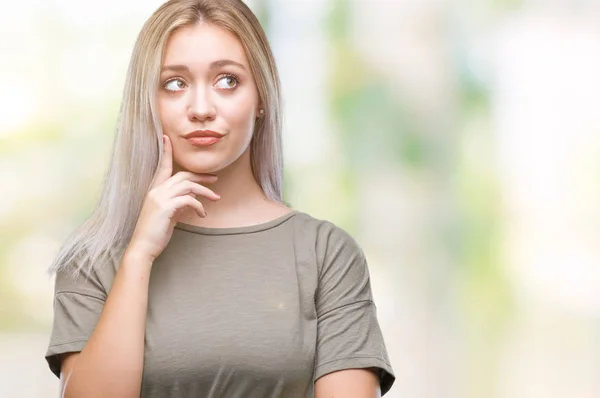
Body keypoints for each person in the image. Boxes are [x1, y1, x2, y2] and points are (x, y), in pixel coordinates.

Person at [44, 0, 396, 396]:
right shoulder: (92, 260)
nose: (201, 109)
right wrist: (139, 254)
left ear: (261, 96)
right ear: (148, 101)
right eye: (174, 83)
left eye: (227, 80)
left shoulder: (326, 254)